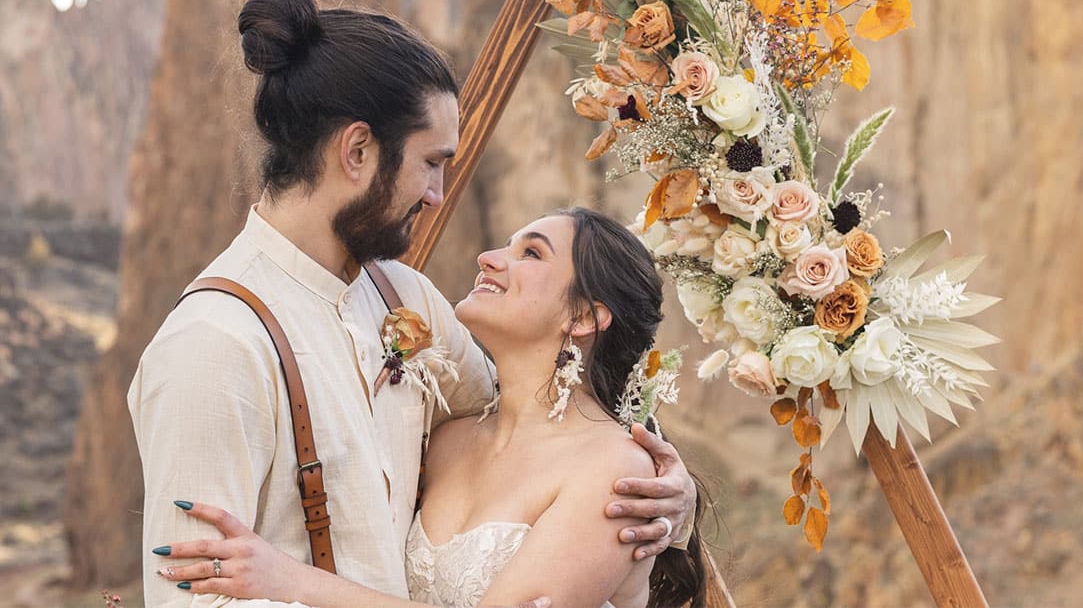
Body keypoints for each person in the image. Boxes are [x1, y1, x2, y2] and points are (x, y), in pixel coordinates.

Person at [131, 0, 698, 607]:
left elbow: (538, 420)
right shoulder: (212, 347)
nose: (436, 195)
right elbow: (191, 600)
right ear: (357, 151)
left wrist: (669, 495)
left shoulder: (405, 298)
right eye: (431, 163)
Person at [154, 209, 709, 607]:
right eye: (508, 245)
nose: (489, 258)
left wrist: (289, 580)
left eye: (531, 253)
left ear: (585, 318)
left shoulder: (618, 474)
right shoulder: (446, 441)